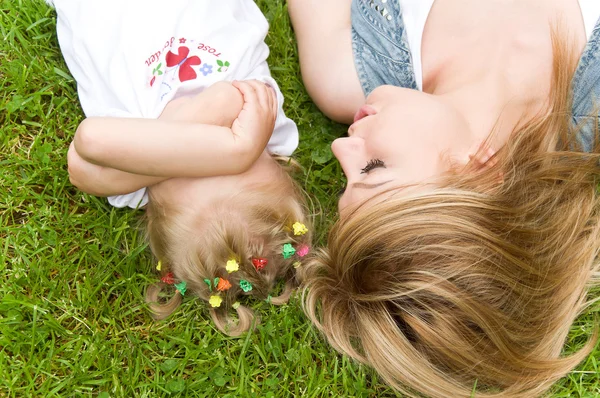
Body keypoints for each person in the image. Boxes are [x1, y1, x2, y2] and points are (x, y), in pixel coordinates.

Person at [289, 0, 600, 396]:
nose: (340, 148)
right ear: (479, 173)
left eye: (345, 181)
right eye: (373, 169)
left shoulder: (341, 74)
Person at [47, 0, 312, 336]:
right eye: (239, 162)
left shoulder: (132, 183)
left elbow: (87, 145)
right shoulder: (269, 128)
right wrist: (172, 150)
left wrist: (236, 147)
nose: (211, 151)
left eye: (188, 163)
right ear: (273, 159)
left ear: (153, 202)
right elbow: (226, 99)